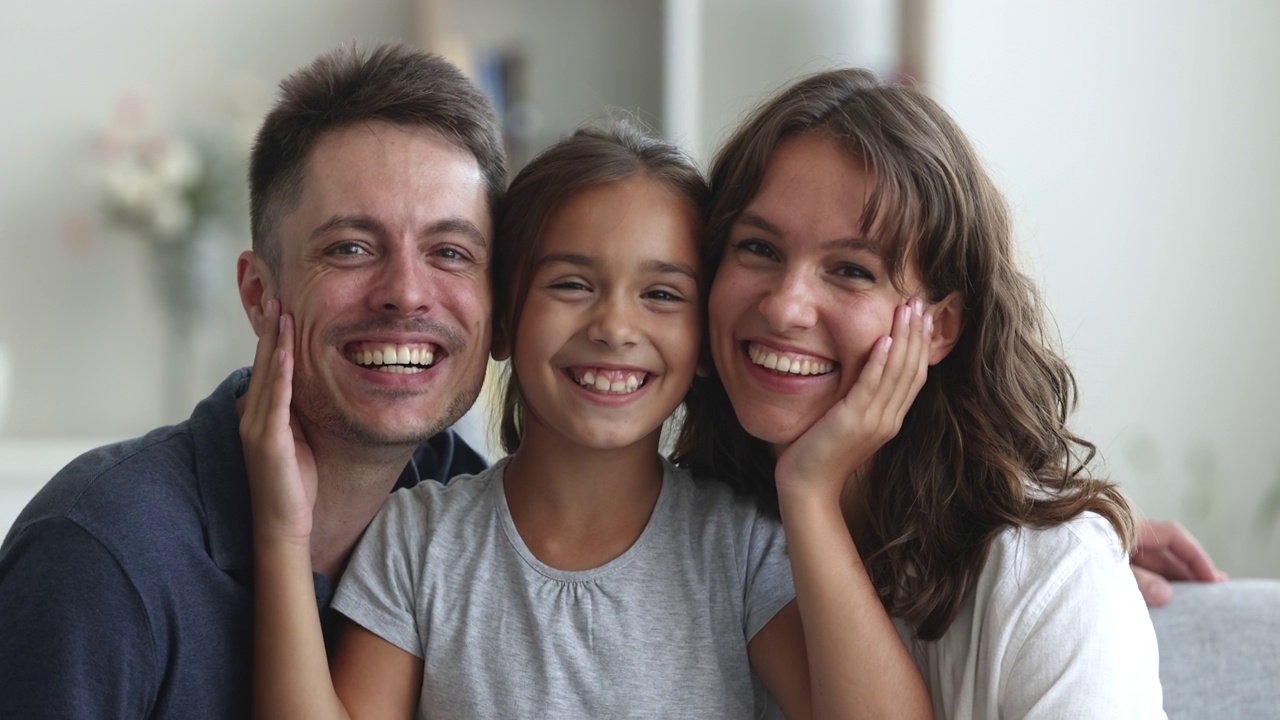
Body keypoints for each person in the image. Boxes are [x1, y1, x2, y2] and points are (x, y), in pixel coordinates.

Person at [245, 122, 932, 719]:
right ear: (504, 320)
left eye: (662, 294)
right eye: (572, 284)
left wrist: (809, 494)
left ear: (702, 342)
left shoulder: (740, 550)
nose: (614, 327)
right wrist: (281, 535)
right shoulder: (418, 541)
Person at [0, 43, 504, 718]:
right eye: (350, 247)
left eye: (450, 252)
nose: (406, 293)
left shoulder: (477, 522)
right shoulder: (97, 554)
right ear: (259, 293)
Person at [673, 67, 1168, 717]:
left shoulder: (1052, 574)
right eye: (758, 248)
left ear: (939, 328)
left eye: (851, 270)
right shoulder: (690, 540)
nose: (787, 306)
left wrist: (810, 491)